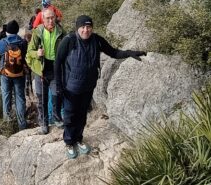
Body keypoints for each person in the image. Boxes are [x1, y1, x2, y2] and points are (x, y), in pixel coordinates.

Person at [55, 15, 146, 159]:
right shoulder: (69, 41)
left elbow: (113, 52)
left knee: (82, 114)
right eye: (83, 27)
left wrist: (129, 53)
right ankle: (69, 142)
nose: (86, 30)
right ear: (77, 28)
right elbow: (58, 62)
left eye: (88, 27)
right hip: (71, 87)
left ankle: (78, 139)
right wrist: (59, 86)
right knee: (70, 115)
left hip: (88, 86)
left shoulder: (97, 40)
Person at [26, 8, 65, 134]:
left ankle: (57, 118)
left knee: (56, 96)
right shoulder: (38, 32)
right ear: (43, 19)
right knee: (42, 98)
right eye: (47, 18)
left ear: (55, 18)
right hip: (41, 70)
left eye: (52, 17)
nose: (50, 20)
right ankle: (44, 122)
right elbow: (29, 51)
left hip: (55, 69)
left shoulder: (61, 32)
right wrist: (37, 53)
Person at [0, 20, 29, 131]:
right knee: (20, 98)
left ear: (6, 31)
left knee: (6, 97)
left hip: (5, 74)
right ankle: (22, 125)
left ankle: (8, 125)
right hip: (20, 74)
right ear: (17, 31)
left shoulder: (3, 42)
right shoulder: (22, 42)